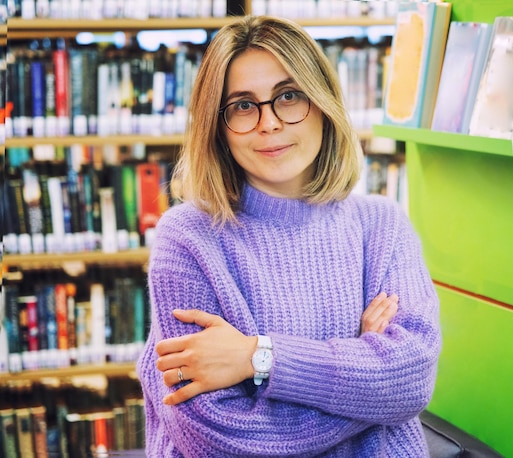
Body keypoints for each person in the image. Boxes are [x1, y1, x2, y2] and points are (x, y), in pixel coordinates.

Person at [136, 15, 441, 457]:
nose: (270, 123)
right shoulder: (188, 239)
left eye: (289, 96)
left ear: (322, 103)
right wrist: (366, 380)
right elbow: (215, 437)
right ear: (217, 126)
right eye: (242, 105)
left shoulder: (382, 225)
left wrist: (257, 358)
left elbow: (410, 380)